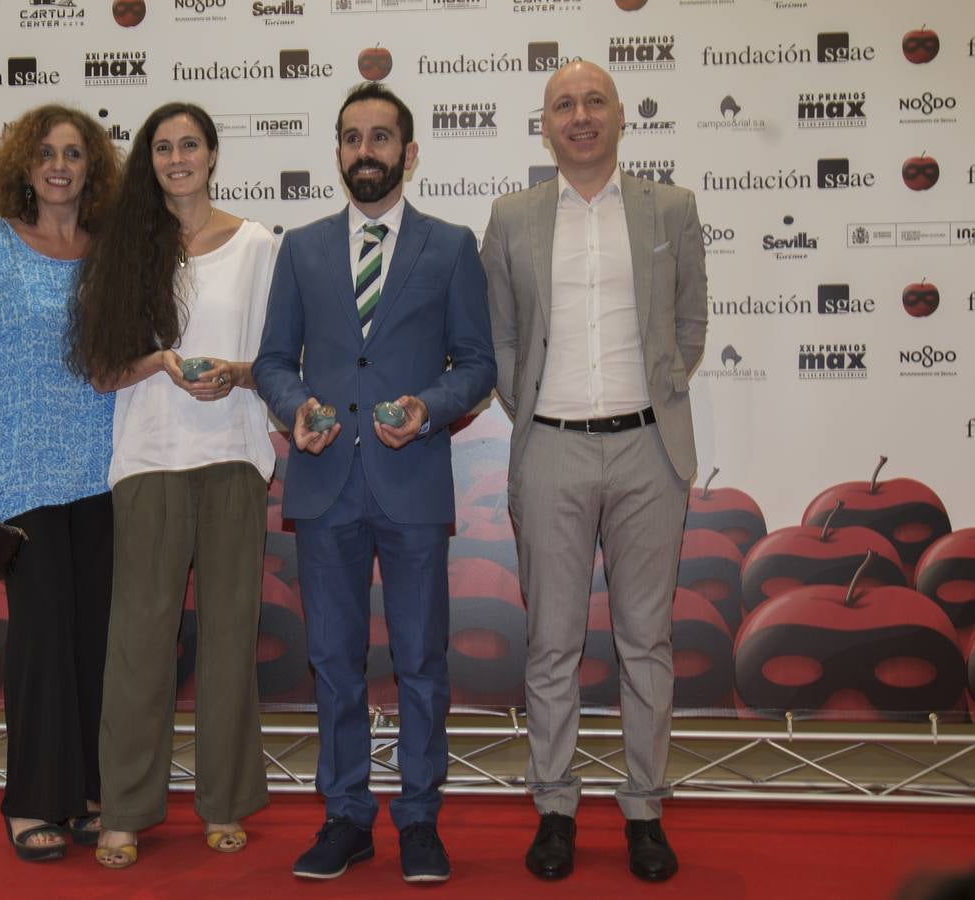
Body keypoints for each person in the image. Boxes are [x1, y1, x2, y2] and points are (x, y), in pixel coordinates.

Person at [253, 82, 495, 884]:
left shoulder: (453, 246)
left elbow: (479, 365)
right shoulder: (302, 247)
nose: (366, 151)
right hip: (325, 486)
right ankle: (347, 816)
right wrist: (296, 411)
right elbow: (272, 363)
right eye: (352, 138)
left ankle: (420, 819)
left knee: (423, 660)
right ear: (337, 153)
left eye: (381, 138)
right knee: (333, 661)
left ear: (409, 152)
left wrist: (428, 408)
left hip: (413, 484)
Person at [480, 60, 708, 883]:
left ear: (620, 116)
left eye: (594, 101)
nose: (580, 115)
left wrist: (651, 400)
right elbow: (501, 337)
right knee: (552, 642)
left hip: (650, 447)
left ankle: (645, 809)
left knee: (647, 639)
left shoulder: (670, 208)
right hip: (551, 447)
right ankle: (556, 807)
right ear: (545, 123)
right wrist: (531, 407)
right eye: (563, 104)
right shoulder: (511, 217)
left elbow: (688, 328)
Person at [73, 101, 276, 870]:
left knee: (228, 641)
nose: (177, 158)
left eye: (190, 144)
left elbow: (283, 362)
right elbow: (100, 371)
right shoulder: (123, 249)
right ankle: (124, 808)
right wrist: (160, 362)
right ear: (148, 160)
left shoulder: (257, 245)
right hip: (150, 462)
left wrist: (241, 374)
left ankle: (224, 804)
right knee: (139, 647)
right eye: (163, 147)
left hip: (233, 458)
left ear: (214, 154)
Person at [0, 103, 121, 861]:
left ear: (91, 169)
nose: (58, 165)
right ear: (24, 164)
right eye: (45, 152)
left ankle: (84, 792)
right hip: (20, 476)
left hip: (107, 473)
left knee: (95, 640)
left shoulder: (109, 252)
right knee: (43, 639)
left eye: (73, 154)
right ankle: (30, 800)